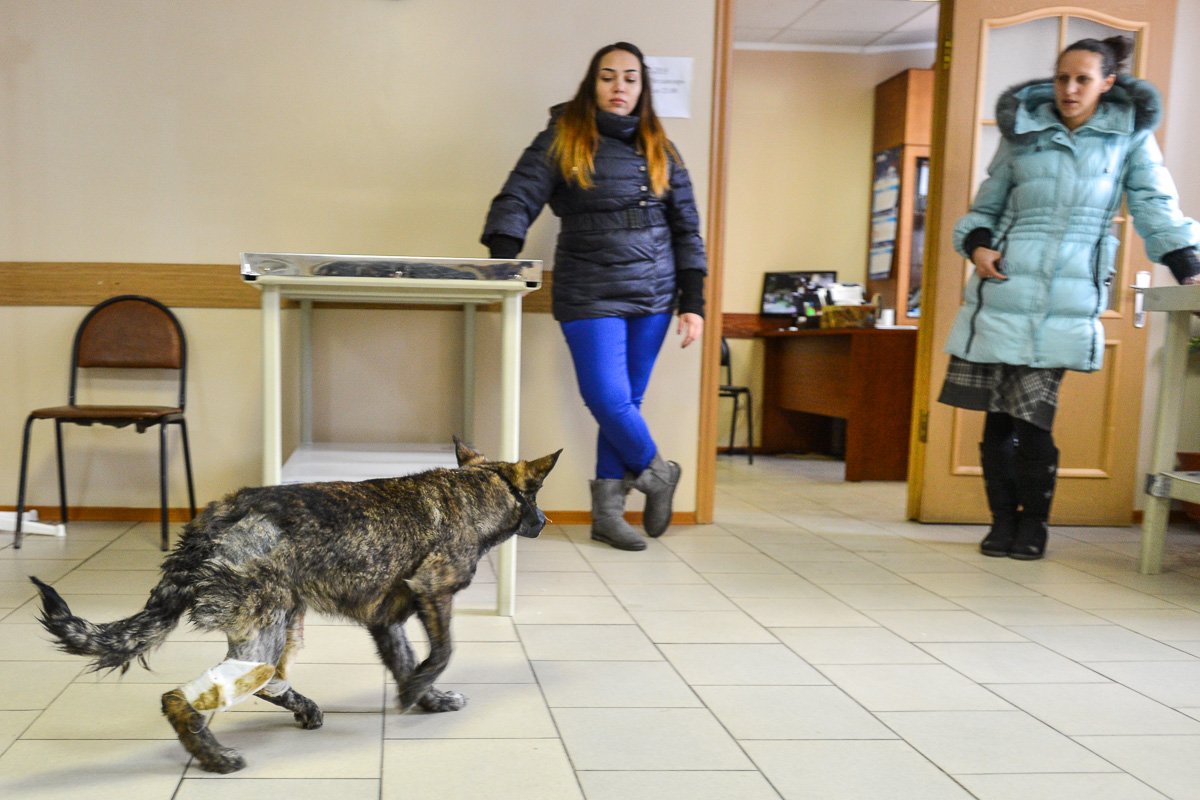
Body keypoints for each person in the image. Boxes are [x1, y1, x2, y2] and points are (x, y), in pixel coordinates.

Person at [939, 35, 1200, 561]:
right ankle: (999, 523)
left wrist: (1187, 266)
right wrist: (979, 245)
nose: (1069, 88)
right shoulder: (1023, 134)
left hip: (1066, 299)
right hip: (1003, 289)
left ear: (1108, 83)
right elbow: (987, 204)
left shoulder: (1128, 138)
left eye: (1083, 78)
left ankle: (1033, 526)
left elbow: (1155, 204)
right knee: (995, 423)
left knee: (1033, 421)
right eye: (1062, 77)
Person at [481, 41, 706, 551]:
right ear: (592, 83)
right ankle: (658, 473)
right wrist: (502, 257)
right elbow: (518, 195)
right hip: (588, 287)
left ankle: (607, 515)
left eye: (630, 78)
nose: (619, 87)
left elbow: (687, 229)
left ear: (642, 88)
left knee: (623, 403)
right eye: (608, 77)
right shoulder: (563, 137)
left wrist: (693, 300)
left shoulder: (661, 148)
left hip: (653, 291)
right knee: (606, 397)